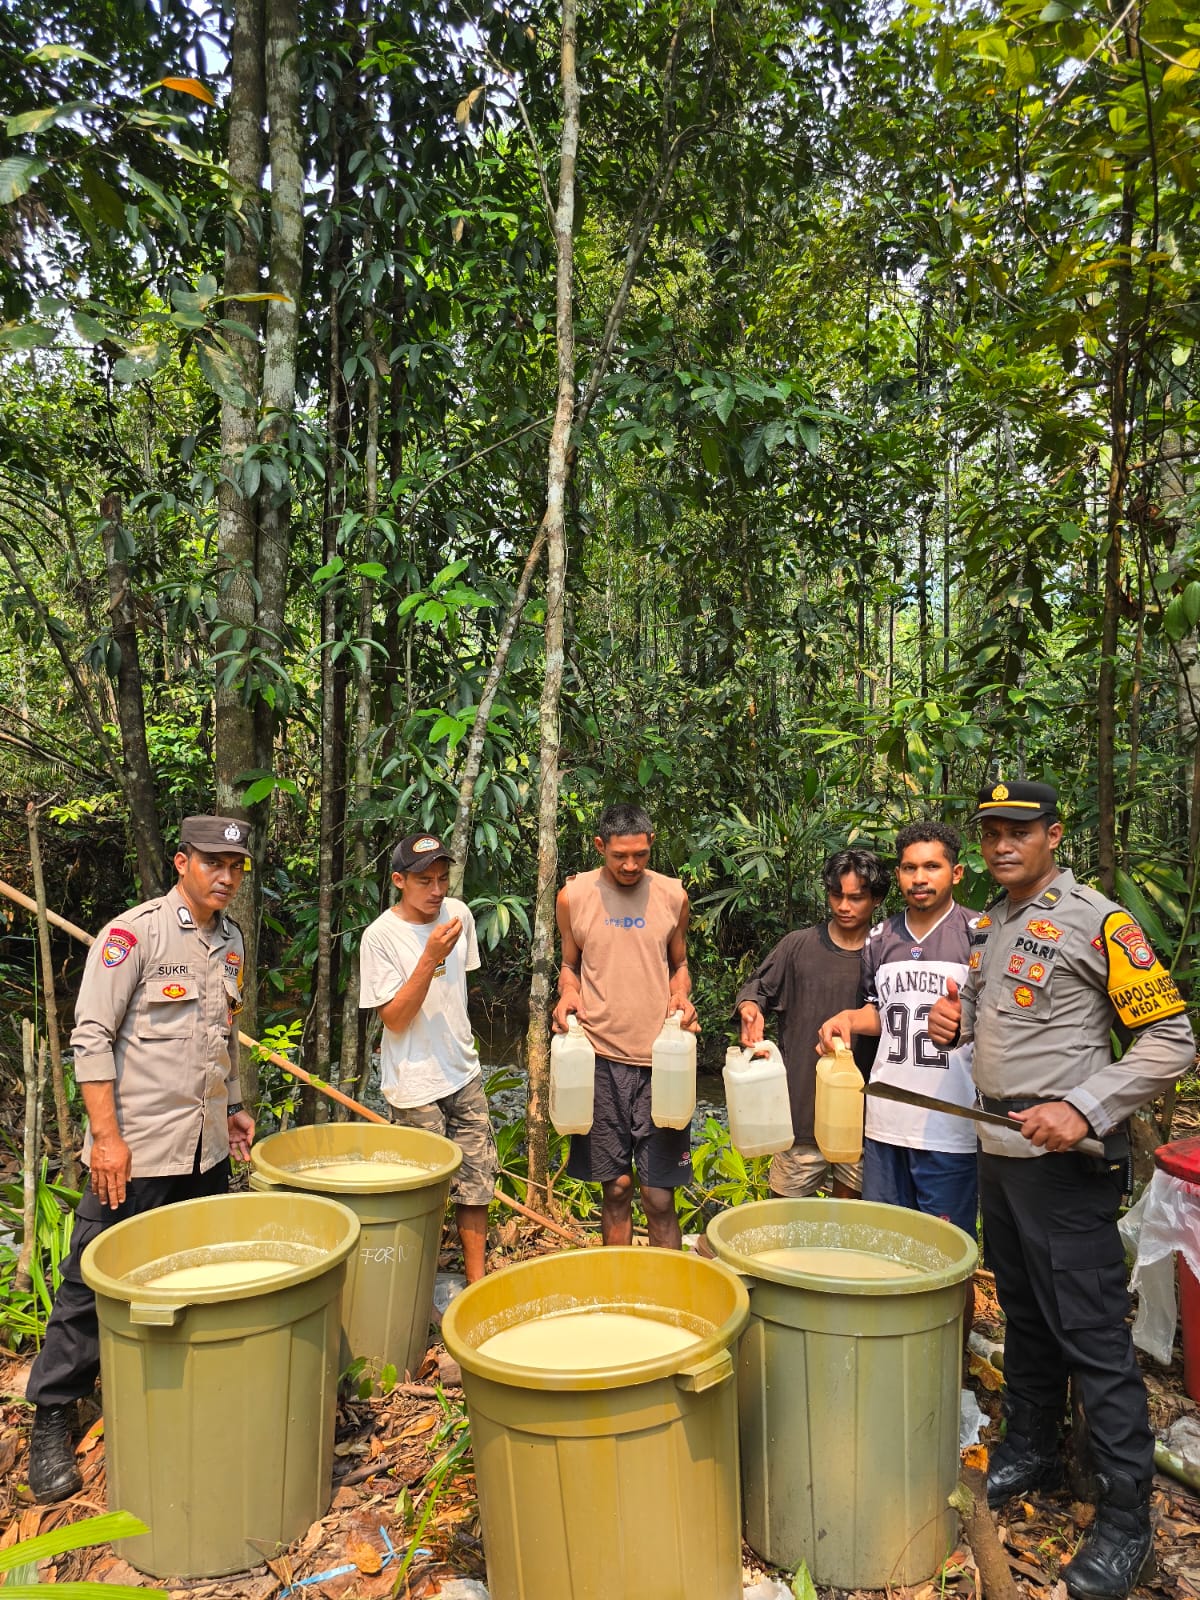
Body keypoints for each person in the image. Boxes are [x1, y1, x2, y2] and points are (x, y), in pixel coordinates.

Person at [927, 780, 1195, 1600]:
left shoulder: (1099, 920)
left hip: (1068, 1166)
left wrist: (1082, 1107)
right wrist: (955, 1024)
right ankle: (1032, 1449)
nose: (1002, 845)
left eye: (1019, 831)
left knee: (1093, 1339)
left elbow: (1171, 1039)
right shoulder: (991, 925)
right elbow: (987, 1018)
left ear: (1053, 834)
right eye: (991, 833)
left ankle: (1125, 1520)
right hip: (1001, 1155)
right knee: (1027, 1312)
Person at [25, 815, 256, 1504]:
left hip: (206, 1147)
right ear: (182, 862)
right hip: (140, 1150)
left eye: (236, 867)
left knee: (198, 1273)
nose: (226, 877)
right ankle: (53, 1413)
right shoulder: (135, 935)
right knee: (92, 1280)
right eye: (213, 863)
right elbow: (91, 1036)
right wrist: (106, 1138)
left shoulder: (233, 942)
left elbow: (224, 1031)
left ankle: (177, 1391)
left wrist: (236, 1102)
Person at [819, 821, 979, 1241]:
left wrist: (966, 1020)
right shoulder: (879, 937)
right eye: (909, 868)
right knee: (885, 1250)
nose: (920, 879)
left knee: (947, 1255)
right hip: (885, 1123)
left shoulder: (981, 935)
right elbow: (882, 1010)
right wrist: (849, 1019)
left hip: (951, 1126)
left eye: (932, 867)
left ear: (956, 873)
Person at [552, 802, 698, 1248]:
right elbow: (569, 965)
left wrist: (681, 995)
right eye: (620, 856)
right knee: (615, 1189)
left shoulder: (673, 895)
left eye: (640, 854)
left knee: (658, 1196)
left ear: (652, 843)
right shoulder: (573, 896)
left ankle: (667, 1299)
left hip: (663, 1063)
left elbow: (680, 962)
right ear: (600, 847)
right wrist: (568, 995)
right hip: (597, 1060)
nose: (631, 865)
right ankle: (618, 1294)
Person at [358, 831, 498, 1287]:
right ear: (400, 880)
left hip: (464, 1072)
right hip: (414, 1085)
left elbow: (458, 990)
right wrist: (429, 957)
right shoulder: (379, 937)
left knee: (476, 1184)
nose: (437, 891)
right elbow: (395, 1020)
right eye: (425, 882)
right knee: (425, 1194)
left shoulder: (458, 915)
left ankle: (474, 1284)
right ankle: (417, 1291)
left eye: (443, 878)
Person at [733, 848, 889, 1197]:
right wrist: (749, 1008)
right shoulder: (798, 946)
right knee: (785, 1222)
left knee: (848, 1227)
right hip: (801, 1114)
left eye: (856, 898)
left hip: (864, 1121)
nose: (844, 906)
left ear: (876, 899)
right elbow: (758, 987)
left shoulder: (887, 954)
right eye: (836, 895)